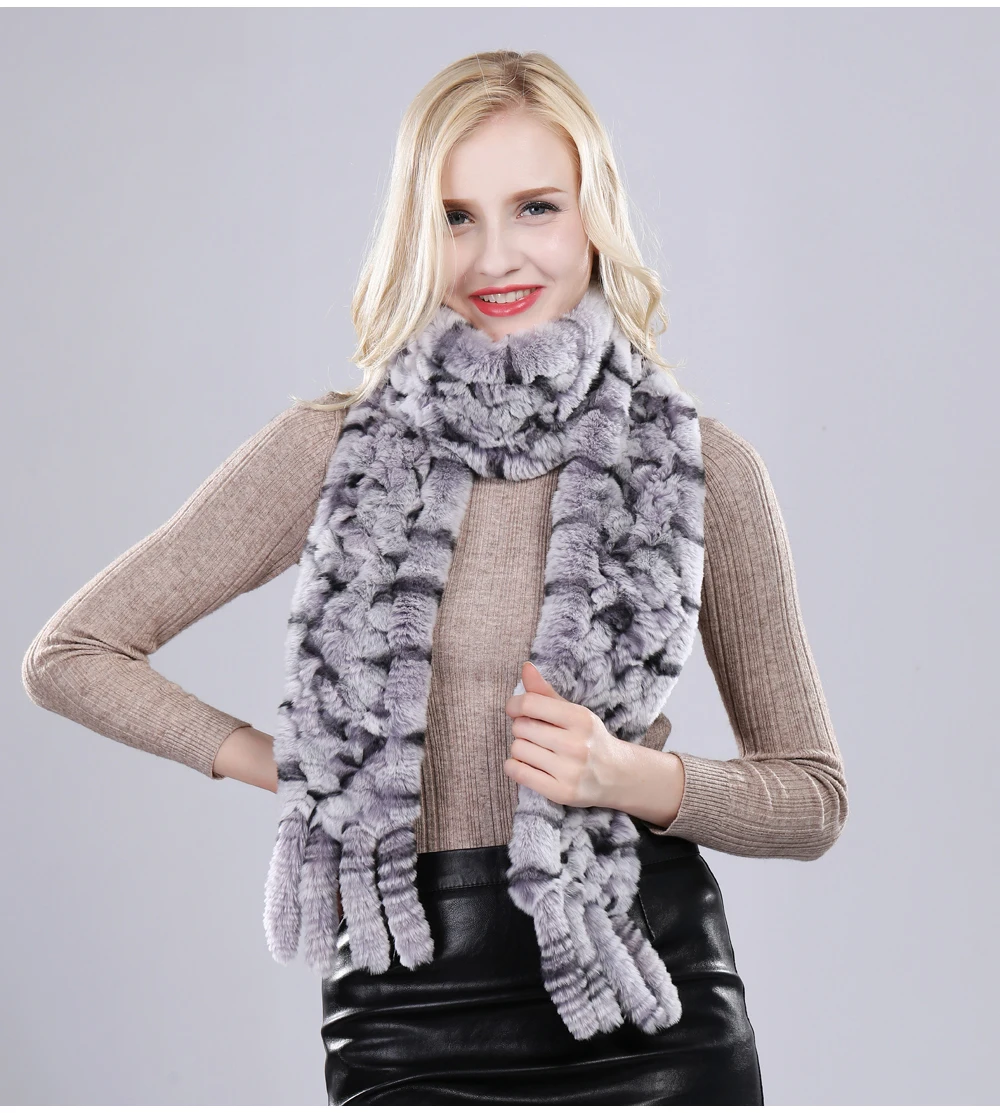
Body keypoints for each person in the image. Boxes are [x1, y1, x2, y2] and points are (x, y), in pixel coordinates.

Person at [22, 50, 848, 1106]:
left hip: (645, 991)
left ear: (594, 215)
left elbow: (813, 800)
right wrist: (300, 768)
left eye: (536, 207)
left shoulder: (700, 467)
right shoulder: (331, 449)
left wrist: (625, 777)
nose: (495, 255)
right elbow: (70, 655)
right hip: (406, 999)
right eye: (455, 217)